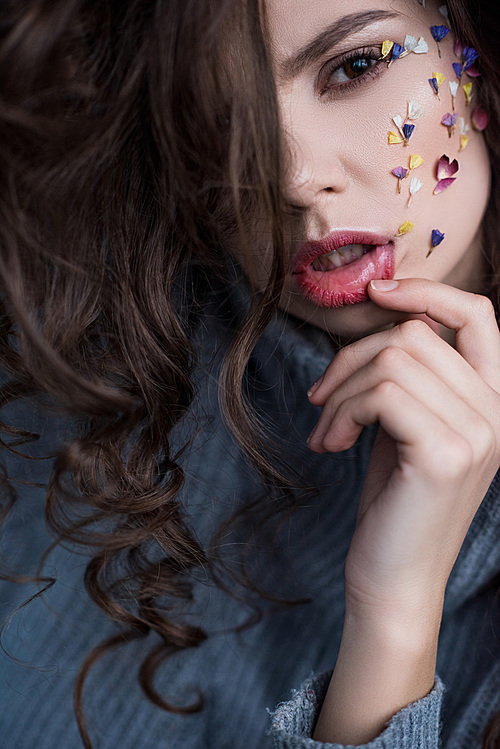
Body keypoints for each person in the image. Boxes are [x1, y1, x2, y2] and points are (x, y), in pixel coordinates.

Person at [1, 0, 500, 747]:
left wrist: (400, 613)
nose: (292, 177)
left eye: (354, 67)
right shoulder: (87, 379)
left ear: (477, 58)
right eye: (218, 121)